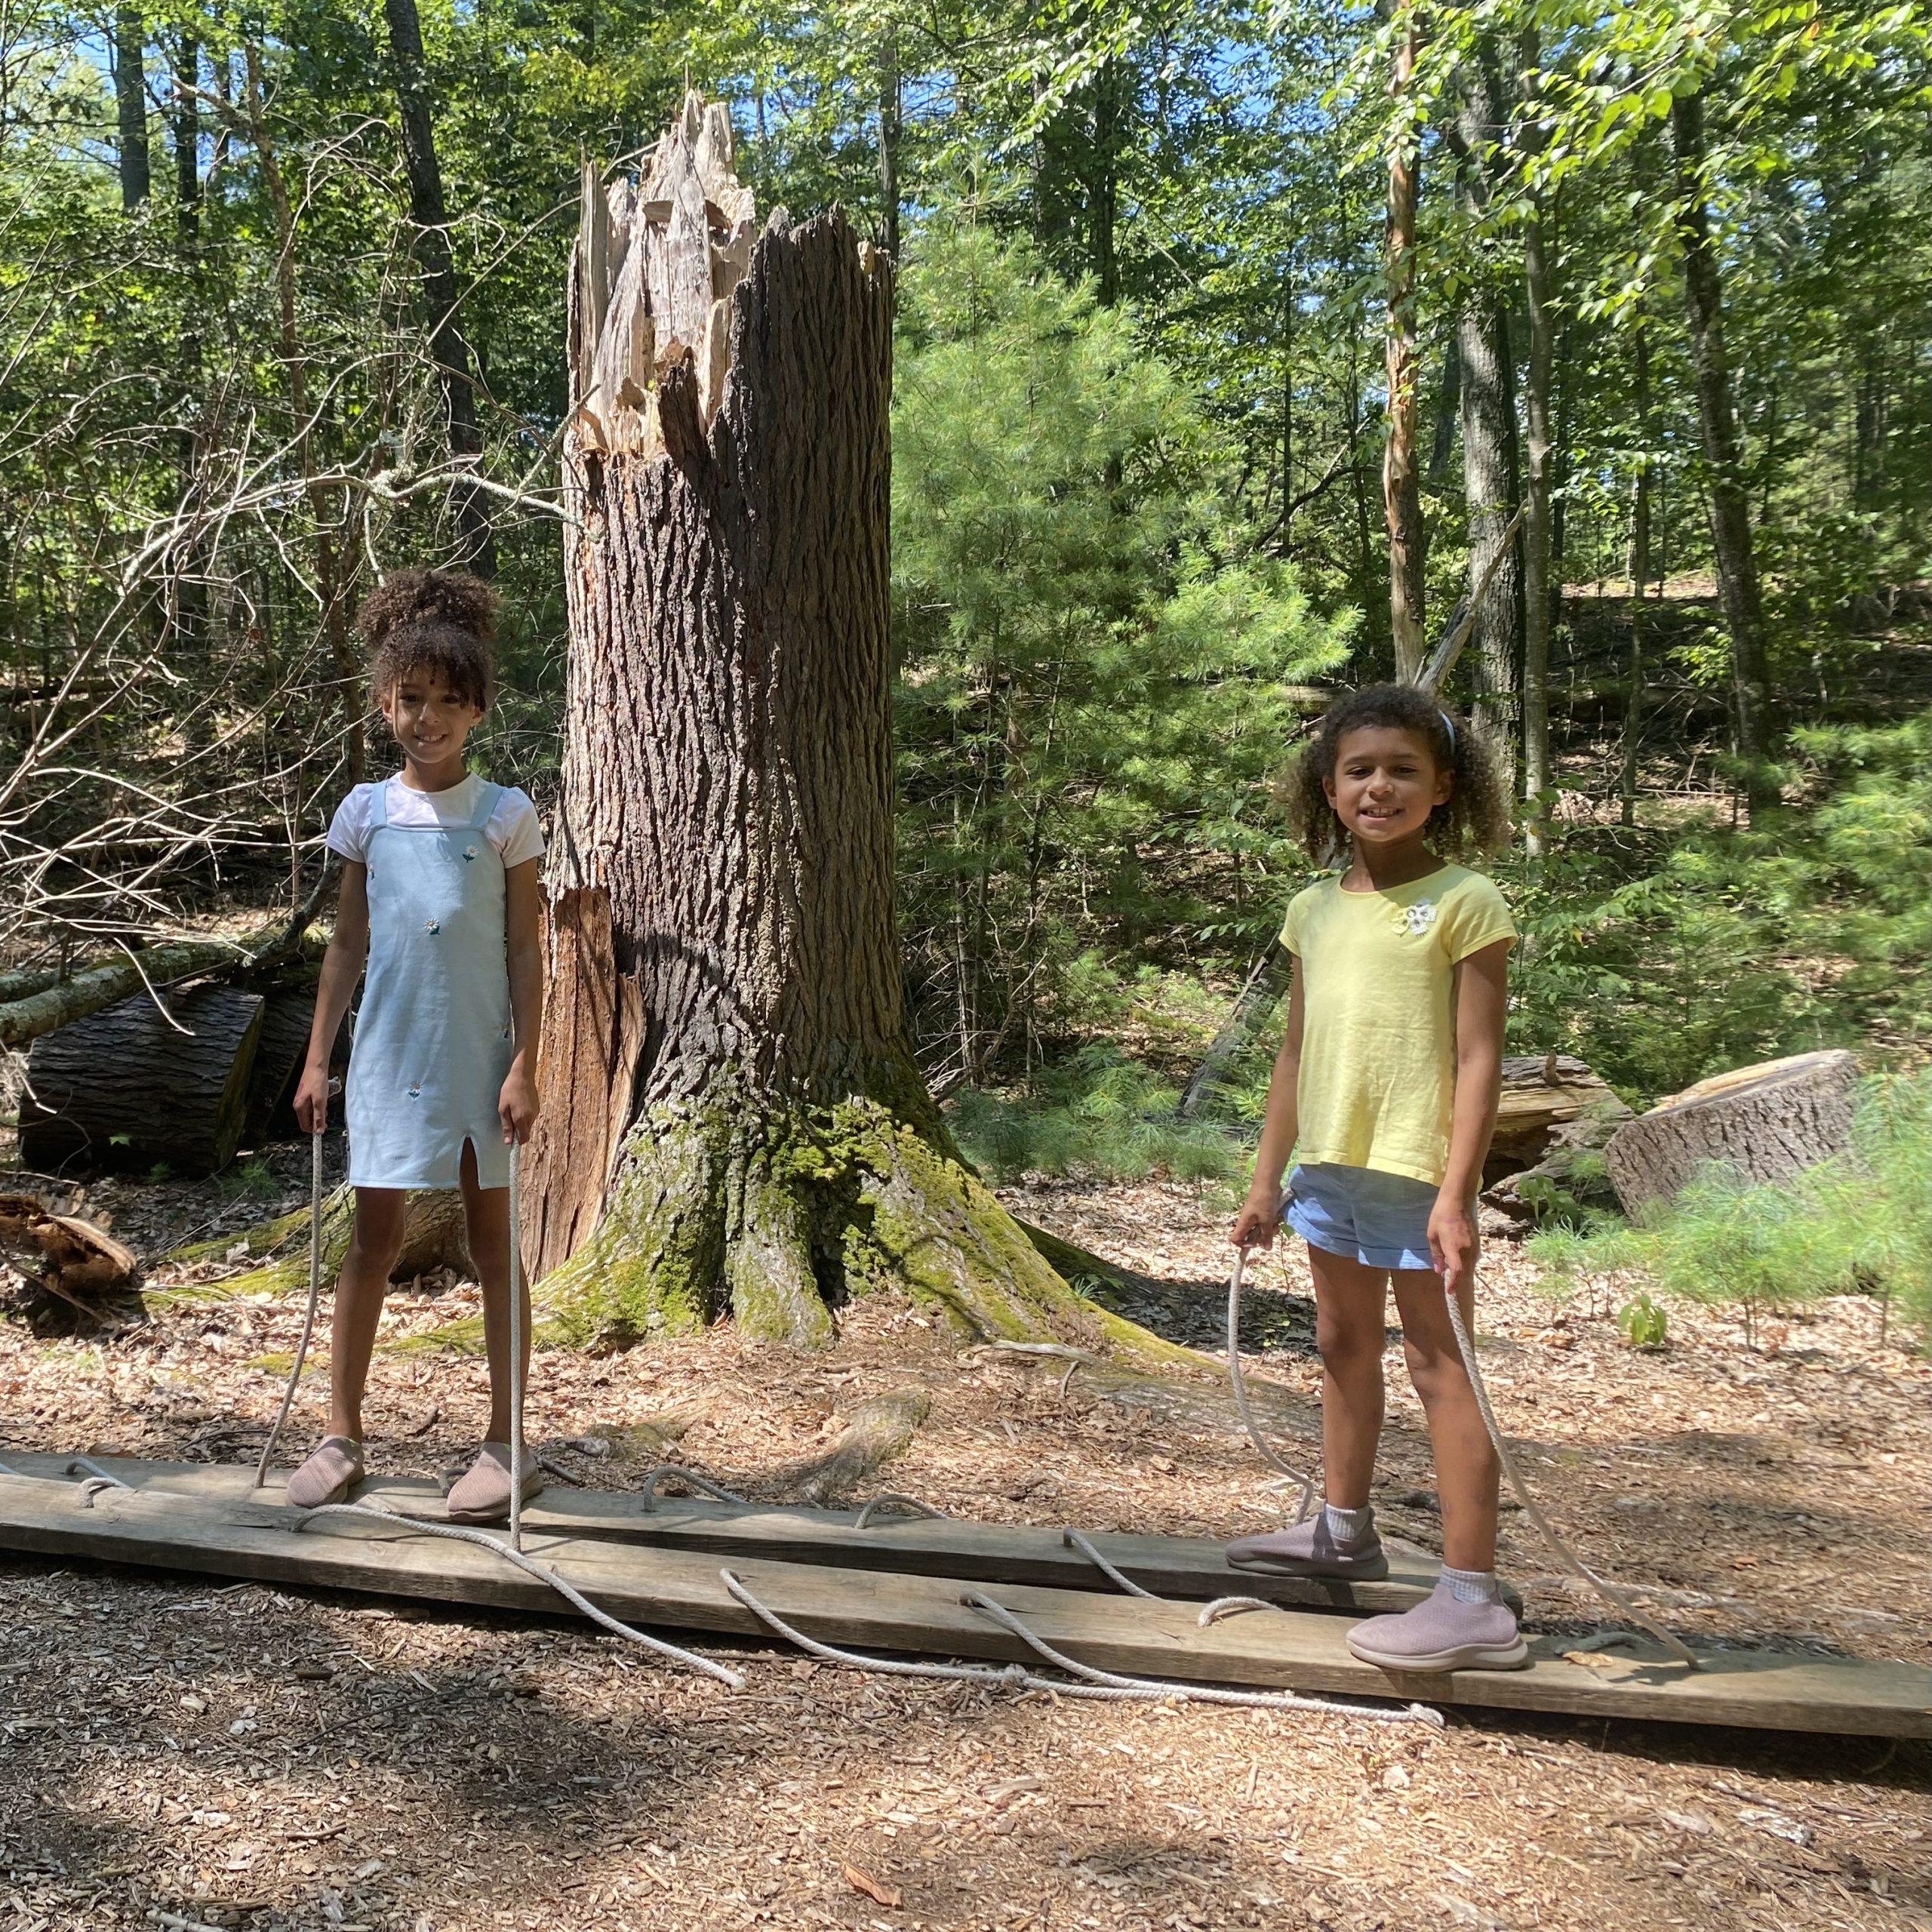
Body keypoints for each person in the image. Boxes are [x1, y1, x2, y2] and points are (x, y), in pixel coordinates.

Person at [1224, 684, 1525, 1671]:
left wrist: (1455, 1195)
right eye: (1360, 769)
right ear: (1329, 785)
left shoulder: (1466, 904)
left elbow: (1481, 1059)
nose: (1380, 787)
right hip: (1331, 1170)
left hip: (1416, 1175)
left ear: (1444, 786)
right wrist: (1268, 1181)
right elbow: (1293, 1053)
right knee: (1341, 1342)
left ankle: (1472, 1598)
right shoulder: (1313, 907)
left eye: (1403, 769)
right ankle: (1341, 1529)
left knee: (1445, 1371)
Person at [284, 568, 546, 1524]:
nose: (426, 718)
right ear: (383, 703)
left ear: (475, 708)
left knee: (491, 1241)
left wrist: (526, 1062)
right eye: (409, 700)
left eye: (446, 701)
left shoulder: (505, 814)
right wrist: (318, 1059)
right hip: (389, 1058)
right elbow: (347, 943)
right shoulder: (365, 813)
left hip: (478, 1056)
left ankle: (509, 1442)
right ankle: (339, 1433)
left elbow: (525, 946)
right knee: (372, 1240)